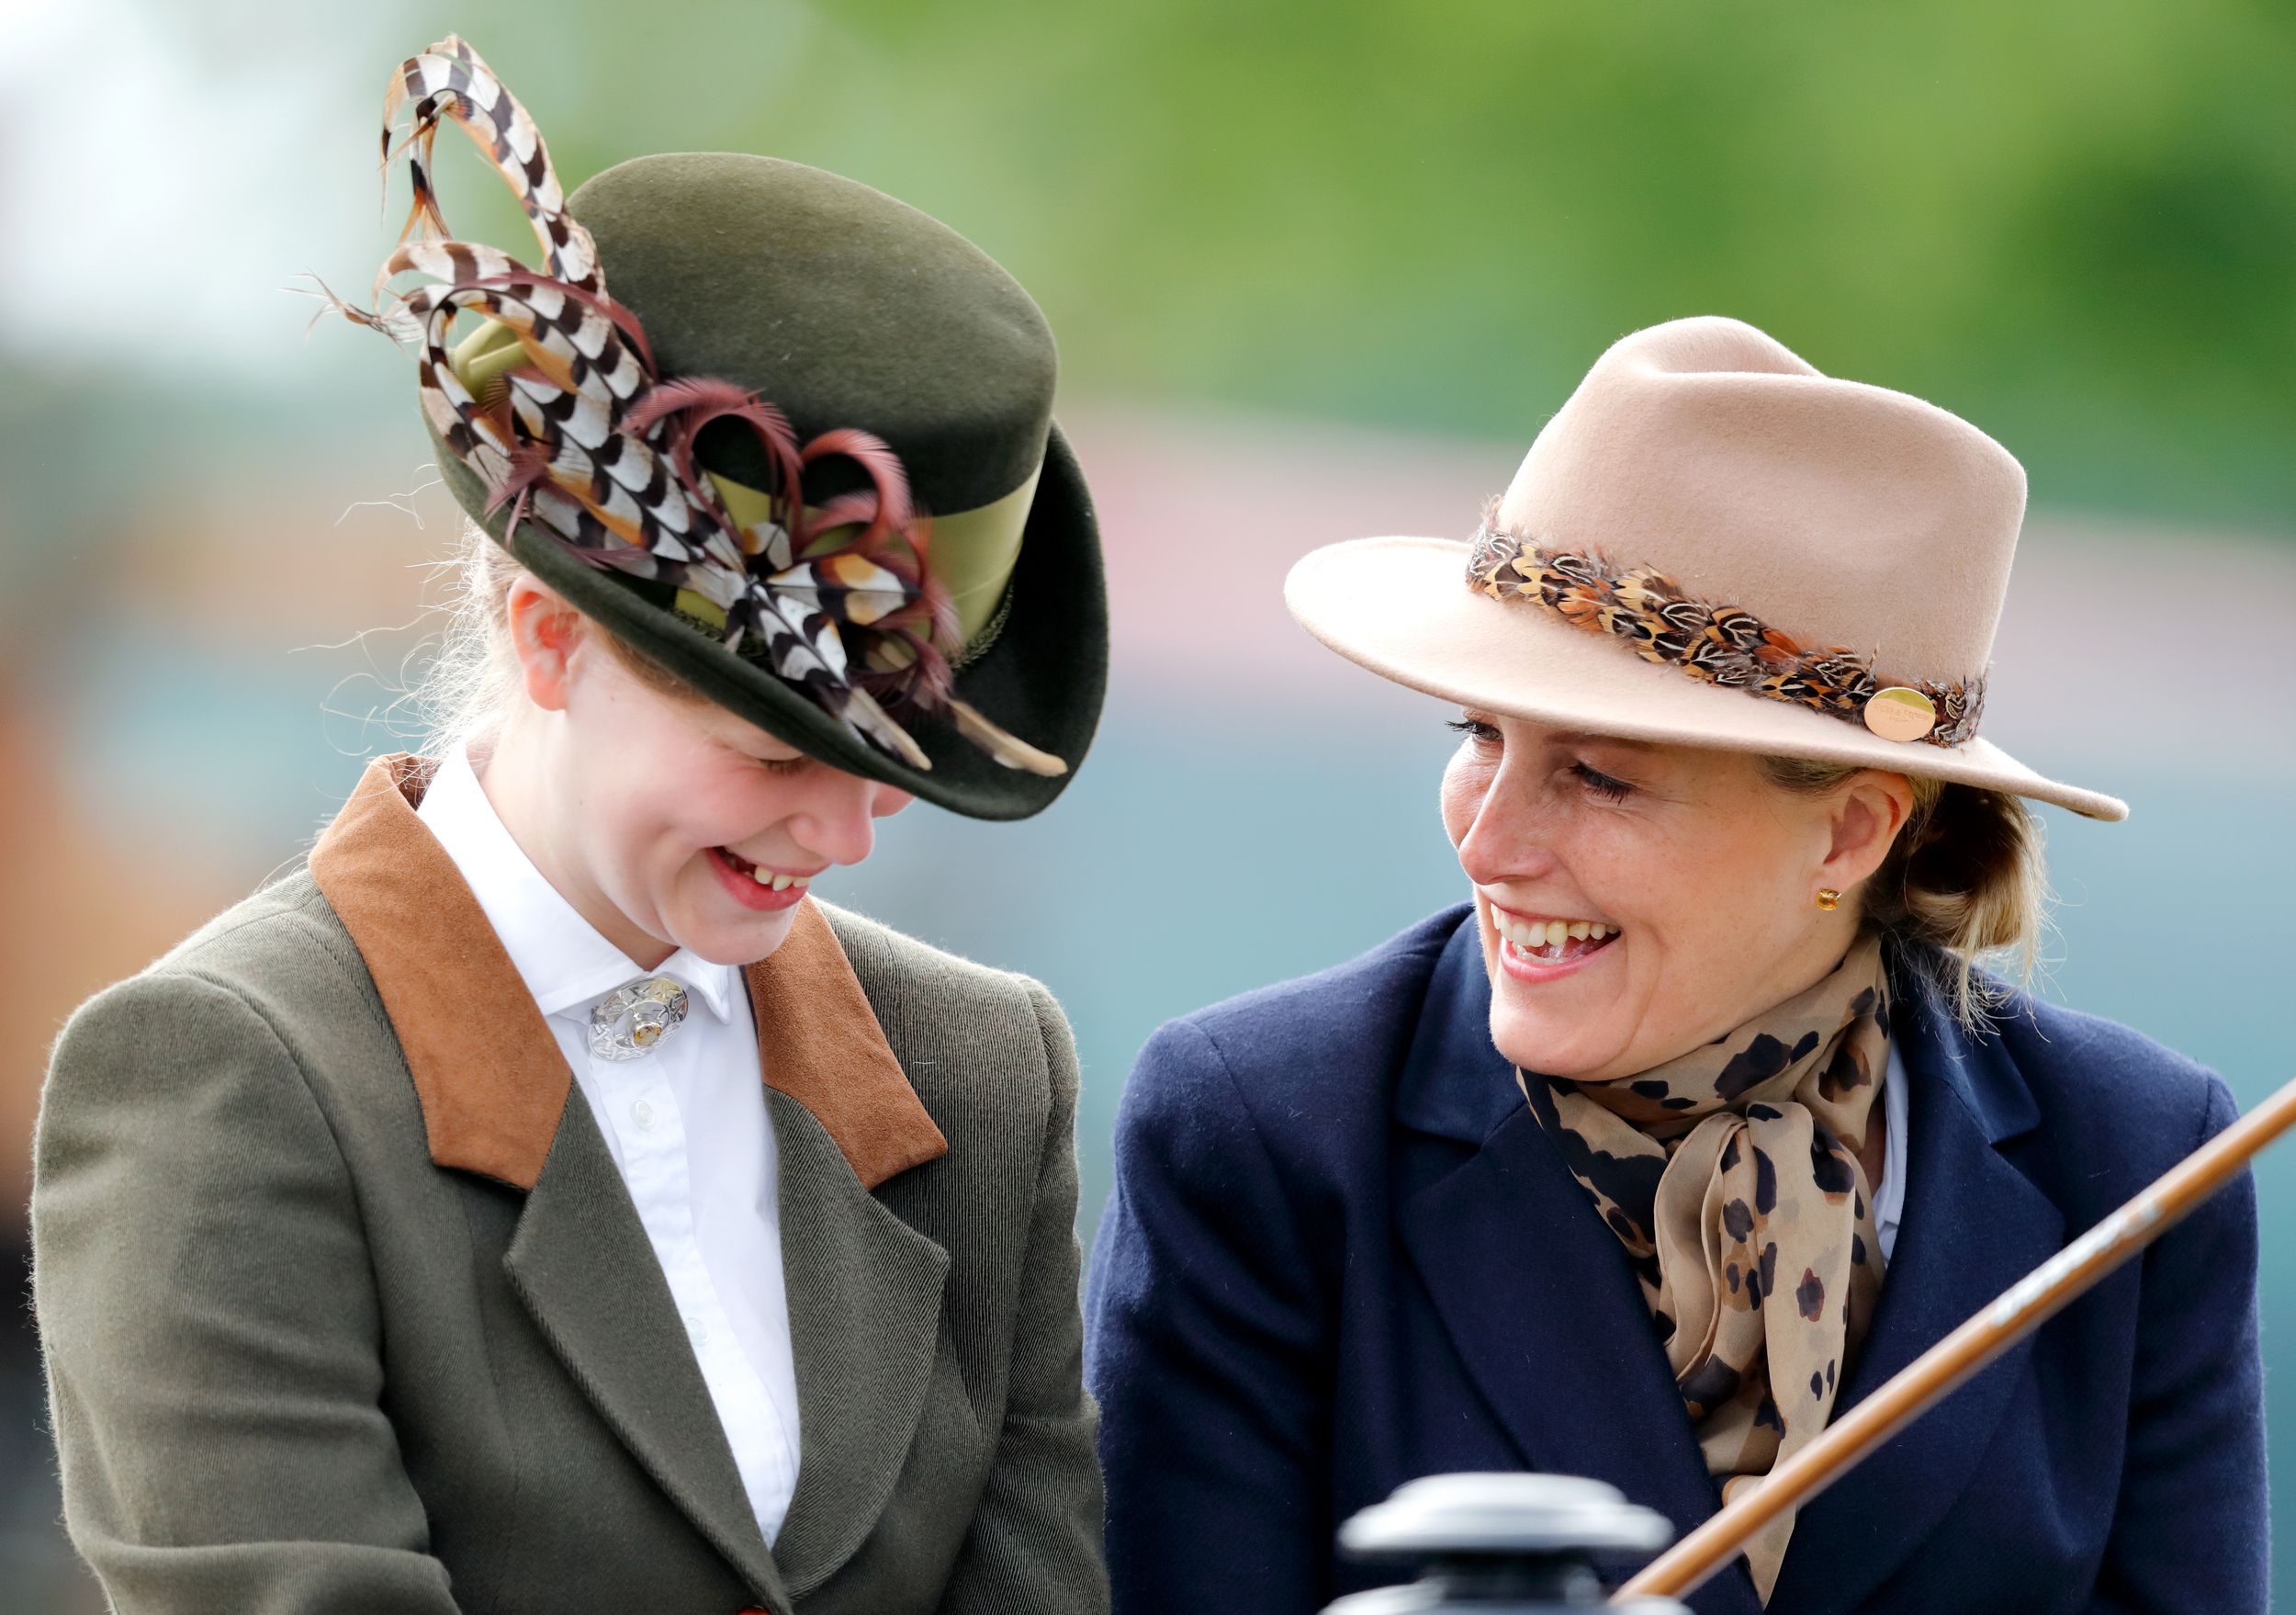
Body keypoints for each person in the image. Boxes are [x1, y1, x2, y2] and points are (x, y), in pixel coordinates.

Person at [34, 36, 1109, 1615]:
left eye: (890, 768)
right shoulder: (235, 1082)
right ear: (549, 639)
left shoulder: (983, 1070)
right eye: (768, 752)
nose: (847, 837)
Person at [1086, 317, 2266, 1614]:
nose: (1489, 839)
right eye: (1477, 733)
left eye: (1599, 775)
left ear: (1852, 826)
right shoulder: (1258, 1134)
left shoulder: (2138, 1158)